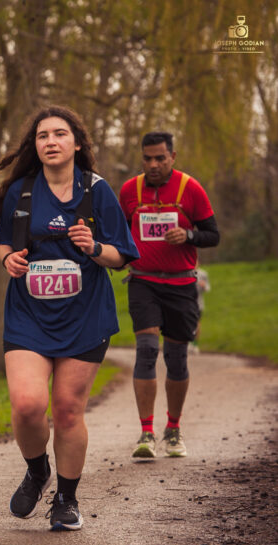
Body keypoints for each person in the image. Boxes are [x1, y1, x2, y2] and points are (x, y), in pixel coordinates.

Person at [0, 106, 138, 531]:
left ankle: (66, 498)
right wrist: (9, 261)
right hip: (29, 314)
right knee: (27, 406)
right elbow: (3, 243)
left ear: (77, 143)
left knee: (66, 410)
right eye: (43, 136)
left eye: (60, 134)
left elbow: (123, 257)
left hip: (85, 317)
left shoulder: (97, 192)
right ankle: (37, 469)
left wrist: (94, 247)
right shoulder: (20, 192)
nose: (51, 142)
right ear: (36, 145)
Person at [119, 132, 220, 459]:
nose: (153, 165)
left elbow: (213, 235)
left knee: (176, 359)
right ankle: (146, 432)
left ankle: (173, 430)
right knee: (146, 350)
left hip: (181, 285)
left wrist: (188, 234)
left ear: (172, 156)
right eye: (147, 158)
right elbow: (118, 233)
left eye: (160, 158)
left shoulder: (190, 189)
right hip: (143, 282)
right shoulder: (130, 191)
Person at [190, 267, 211, 354]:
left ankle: (195, 344)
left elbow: (208, 288)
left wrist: (204, 286)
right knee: (188, 323)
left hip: (198, 304)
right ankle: (188, 342)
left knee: (197, 323)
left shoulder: (203, 273)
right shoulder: (186, 273)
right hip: (187, 303)